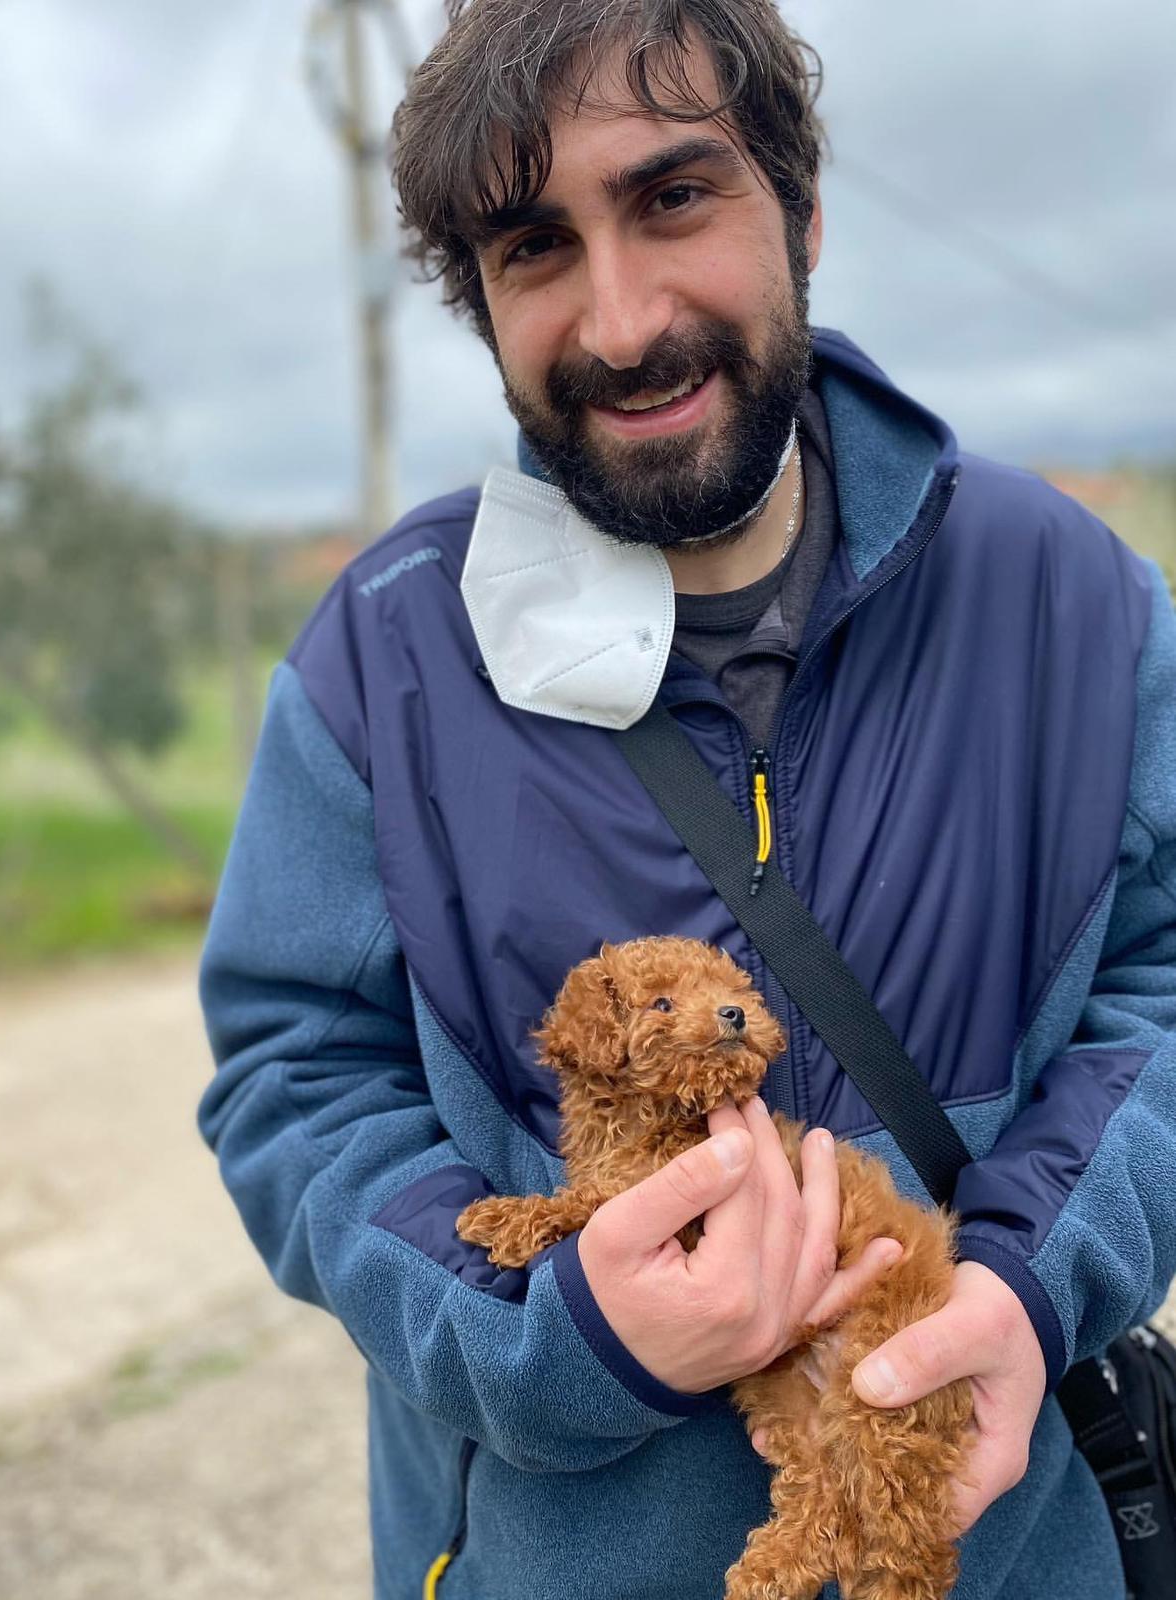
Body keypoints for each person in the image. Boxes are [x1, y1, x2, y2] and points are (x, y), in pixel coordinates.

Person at [197, 3, 1176, 1597]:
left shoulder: (1071, 597)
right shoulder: (381, 657)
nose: (622, 319)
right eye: (533, 246)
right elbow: (294, 1079)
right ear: (479, 296)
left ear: (799, 207)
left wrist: (1025, 1279)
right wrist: (553, 1334)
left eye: (671, 197)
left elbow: (1165, 973)